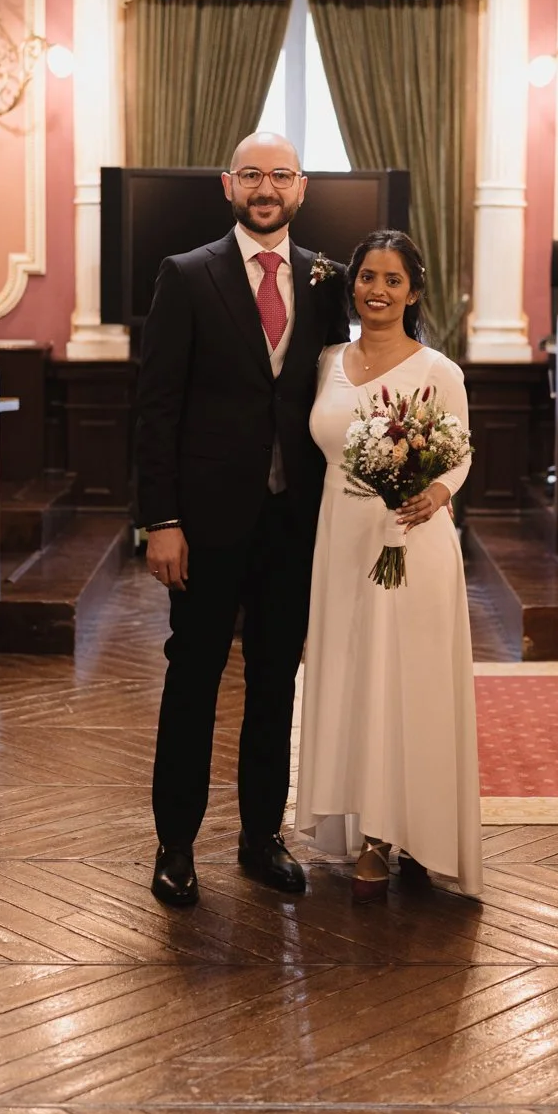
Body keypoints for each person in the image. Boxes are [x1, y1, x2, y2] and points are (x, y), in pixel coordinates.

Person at [133, 131, 350, 907]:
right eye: (252, 175)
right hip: (204, 523)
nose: (266, 187)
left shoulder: (330, 280)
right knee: (192, 680)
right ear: (228, 185)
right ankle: (176, 846)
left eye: (280, 175)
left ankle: (263, 838)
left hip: (296, 522)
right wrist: (161, 519)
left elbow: (340, 392)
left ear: (302, 187)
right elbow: (156, 409)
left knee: (273, 684)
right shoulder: (186, 276)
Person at [295, 230, 482, 901]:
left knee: (413, 683)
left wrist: (434, 491)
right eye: (367, 276)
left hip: (414, 539)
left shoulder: (438, 369)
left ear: (414, 291)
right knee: (353, 677)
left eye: (392, 279)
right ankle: (369, 832)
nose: (377, 289)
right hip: (339, 539)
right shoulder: (325, 361)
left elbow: (458, 452)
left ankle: (422, 832)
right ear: (353, 286)